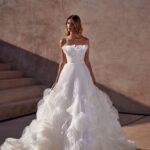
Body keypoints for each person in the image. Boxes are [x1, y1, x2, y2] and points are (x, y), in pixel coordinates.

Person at [0, 14, 137, 150]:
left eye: (71, 23)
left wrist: (93, 79)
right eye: (67, 23)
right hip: (68, 73)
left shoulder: (85, 40)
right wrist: (57, 80)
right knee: (64, 104)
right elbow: (63, 62)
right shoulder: (63, 41)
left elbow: (87, 61)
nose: (69, 26)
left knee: (83, 103)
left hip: (82, 73)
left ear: (77, 24)